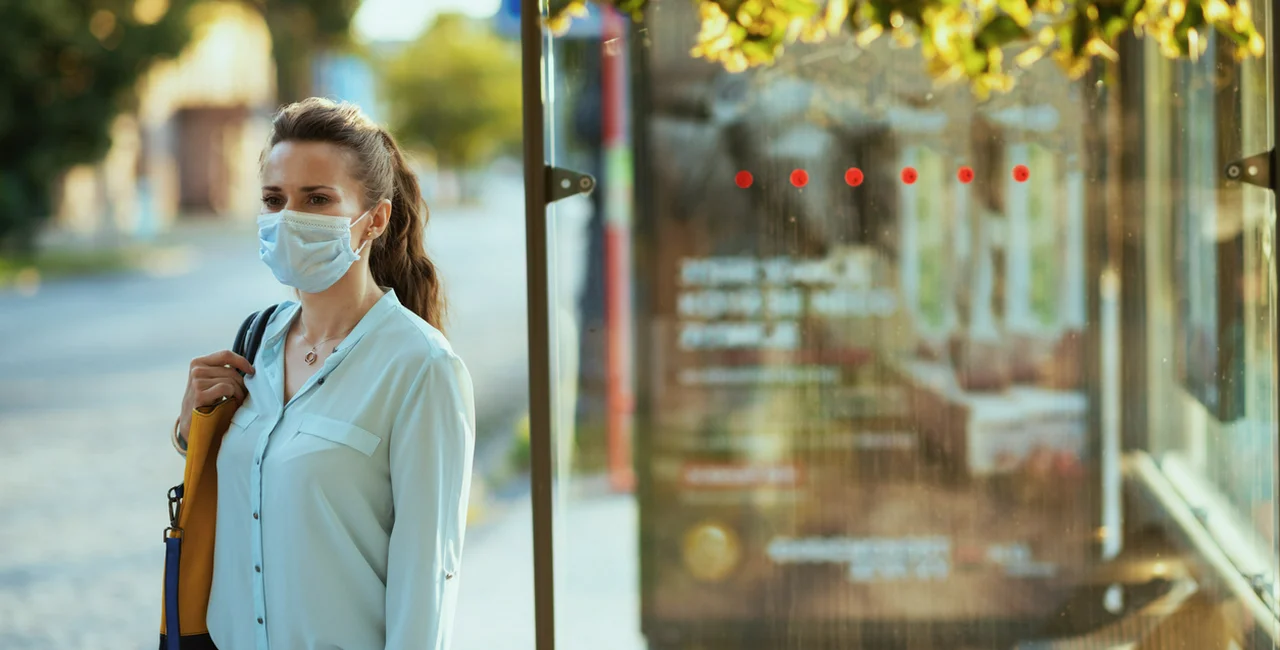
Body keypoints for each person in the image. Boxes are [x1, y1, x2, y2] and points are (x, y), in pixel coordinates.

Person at [171, 97, 475, 650]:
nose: (290, 217)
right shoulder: (255, 343)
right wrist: (191, 429)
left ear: (376, 219)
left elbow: (425, 577)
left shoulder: (421, 368)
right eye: (273, 198)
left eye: (317, 199)